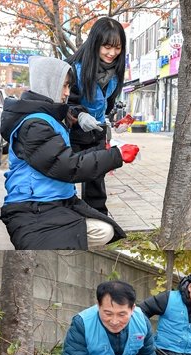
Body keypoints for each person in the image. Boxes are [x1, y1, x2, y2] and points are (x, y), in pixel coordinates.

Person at [0, 56, 136, 250]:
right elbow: (68, 166)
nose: (66, 93)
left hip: (52, 201)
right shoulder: (35, 125)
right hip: (34, 206)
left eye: (68, 87)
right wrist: (116, 155)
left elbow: (65, 157)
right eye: (63, 86)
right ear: (48, 84)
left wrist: (102, 144)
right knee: (100, 231)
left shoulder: (47, 117)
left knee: (105, 229)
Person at [66, 17, 127, 215]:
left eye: (117, 48)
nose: (112, 53)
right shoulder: (75, 69)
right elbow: (66, 101)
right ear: (95, 43)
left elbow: (107, 105)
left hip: (97, 131)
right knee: (68, 175)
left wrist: (113, 122)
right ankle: (67, 216)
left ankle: (97, 217)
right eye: (107, 46)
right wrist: (80, 115)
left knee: (96, 179)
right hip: (72, 132)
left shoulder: (116, 73)